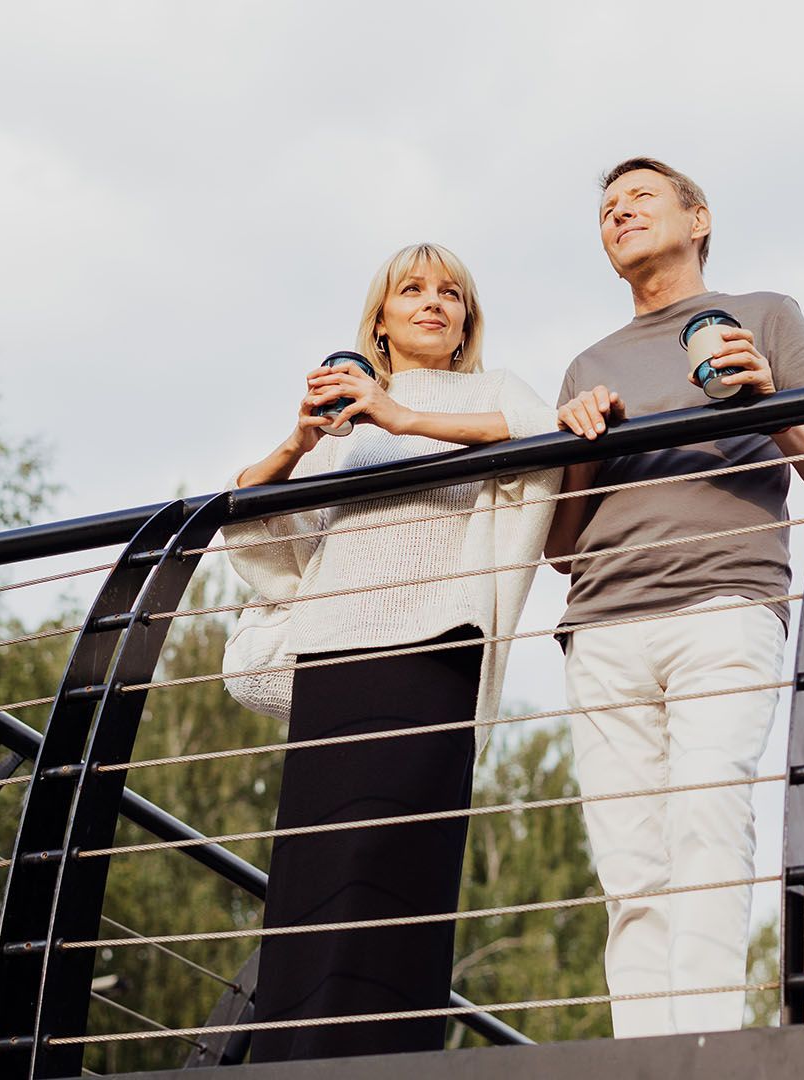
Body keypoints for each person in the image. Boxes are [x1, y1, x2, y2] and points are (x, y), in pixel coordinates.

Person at [547, 158, 804, 1037]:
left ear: (698, 218)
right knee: (629, 864)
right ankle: (642, 1052)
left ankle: (700, 1044)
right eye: (607, 210)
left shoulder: (765, 317)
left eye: (640, 198)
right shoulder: (589, 362)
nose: (619, 214)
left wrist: (766, 396)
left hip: (724, 605)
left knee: (707, 817)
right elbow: (556, 547)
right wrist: (578, 442)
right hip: (602, 625)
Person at [223, 243, 559, 1061]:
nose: (432, 302)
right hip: (335, 656)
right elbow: (258, 532)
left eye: (450, 293)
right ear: (380, 317)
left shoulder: (492, 392)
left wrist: (403, 417)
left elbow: (545, 436)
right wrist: (298, 445)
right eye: (411, 290)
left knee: (395, 862)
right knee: (316, 874)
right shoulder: (344, 418)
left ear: (466, 320)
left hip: (433, 650)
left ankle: (386, 1056)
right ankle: (289, 1060)